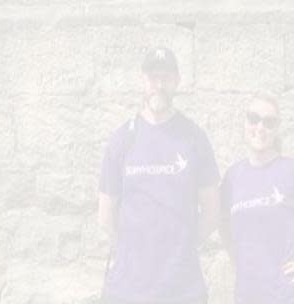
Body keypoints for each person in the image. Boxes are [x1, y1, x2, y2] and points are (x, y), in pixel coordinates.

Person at [97, 46, 219, 304]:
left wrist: (182, 247)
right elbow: (105, 215)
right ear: (143, 81)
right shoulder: (122, 140)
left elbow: (211, 213)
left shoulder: (194, 138)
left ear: (177, 81)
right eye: (153, 78)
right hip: (129, 289)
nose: (159, 85)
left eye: (166, 78)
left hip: (182, 288)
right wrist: (133, 252)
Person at [221, 93, 294, 303]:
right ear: (245, 123)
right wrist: (236, 259)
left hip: (285, 294)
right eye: (254, 119)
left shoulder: (289, 170)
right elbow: (223, 222)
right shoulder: (233, 177)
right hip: (246, 294)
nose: (260, 127)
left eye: (269, 122)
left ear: (277, 128)